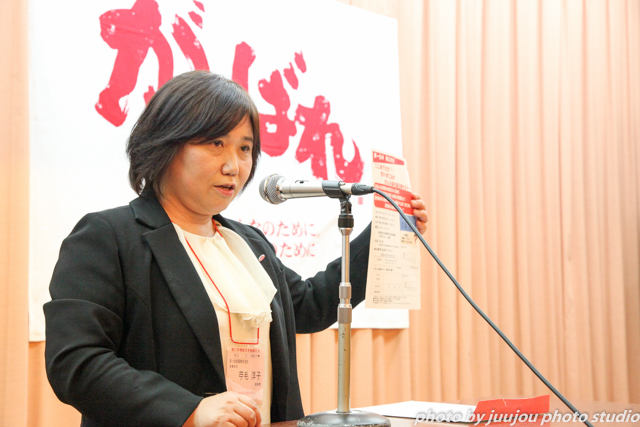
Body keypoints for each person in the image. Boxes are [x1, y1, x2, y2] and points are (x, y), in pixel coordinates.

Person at [44, 71, 428, 427]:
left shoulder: (247, 243)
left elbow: (312, 305)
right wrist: (188, 410)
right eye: (216, 144)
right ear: (166, 144)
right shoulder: (108, 237)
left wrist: (383, 232)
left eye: (245, 148)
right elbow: (76, 361)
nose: (234, 166)